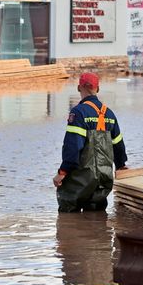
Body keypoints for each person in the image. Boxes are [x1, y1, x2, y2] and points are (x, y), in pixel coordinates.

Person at [53, 72, 127, 212]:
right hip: (104, 178)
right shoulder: (109, 114)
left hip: (81, 178)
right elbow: (118, 144)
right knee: (97, 216)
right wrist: (121, 165)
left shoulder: (78, 113)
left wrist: (62, 172)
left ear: (79, 87)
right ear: (97, 89)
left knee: (68, 216)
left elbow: (73, 146)